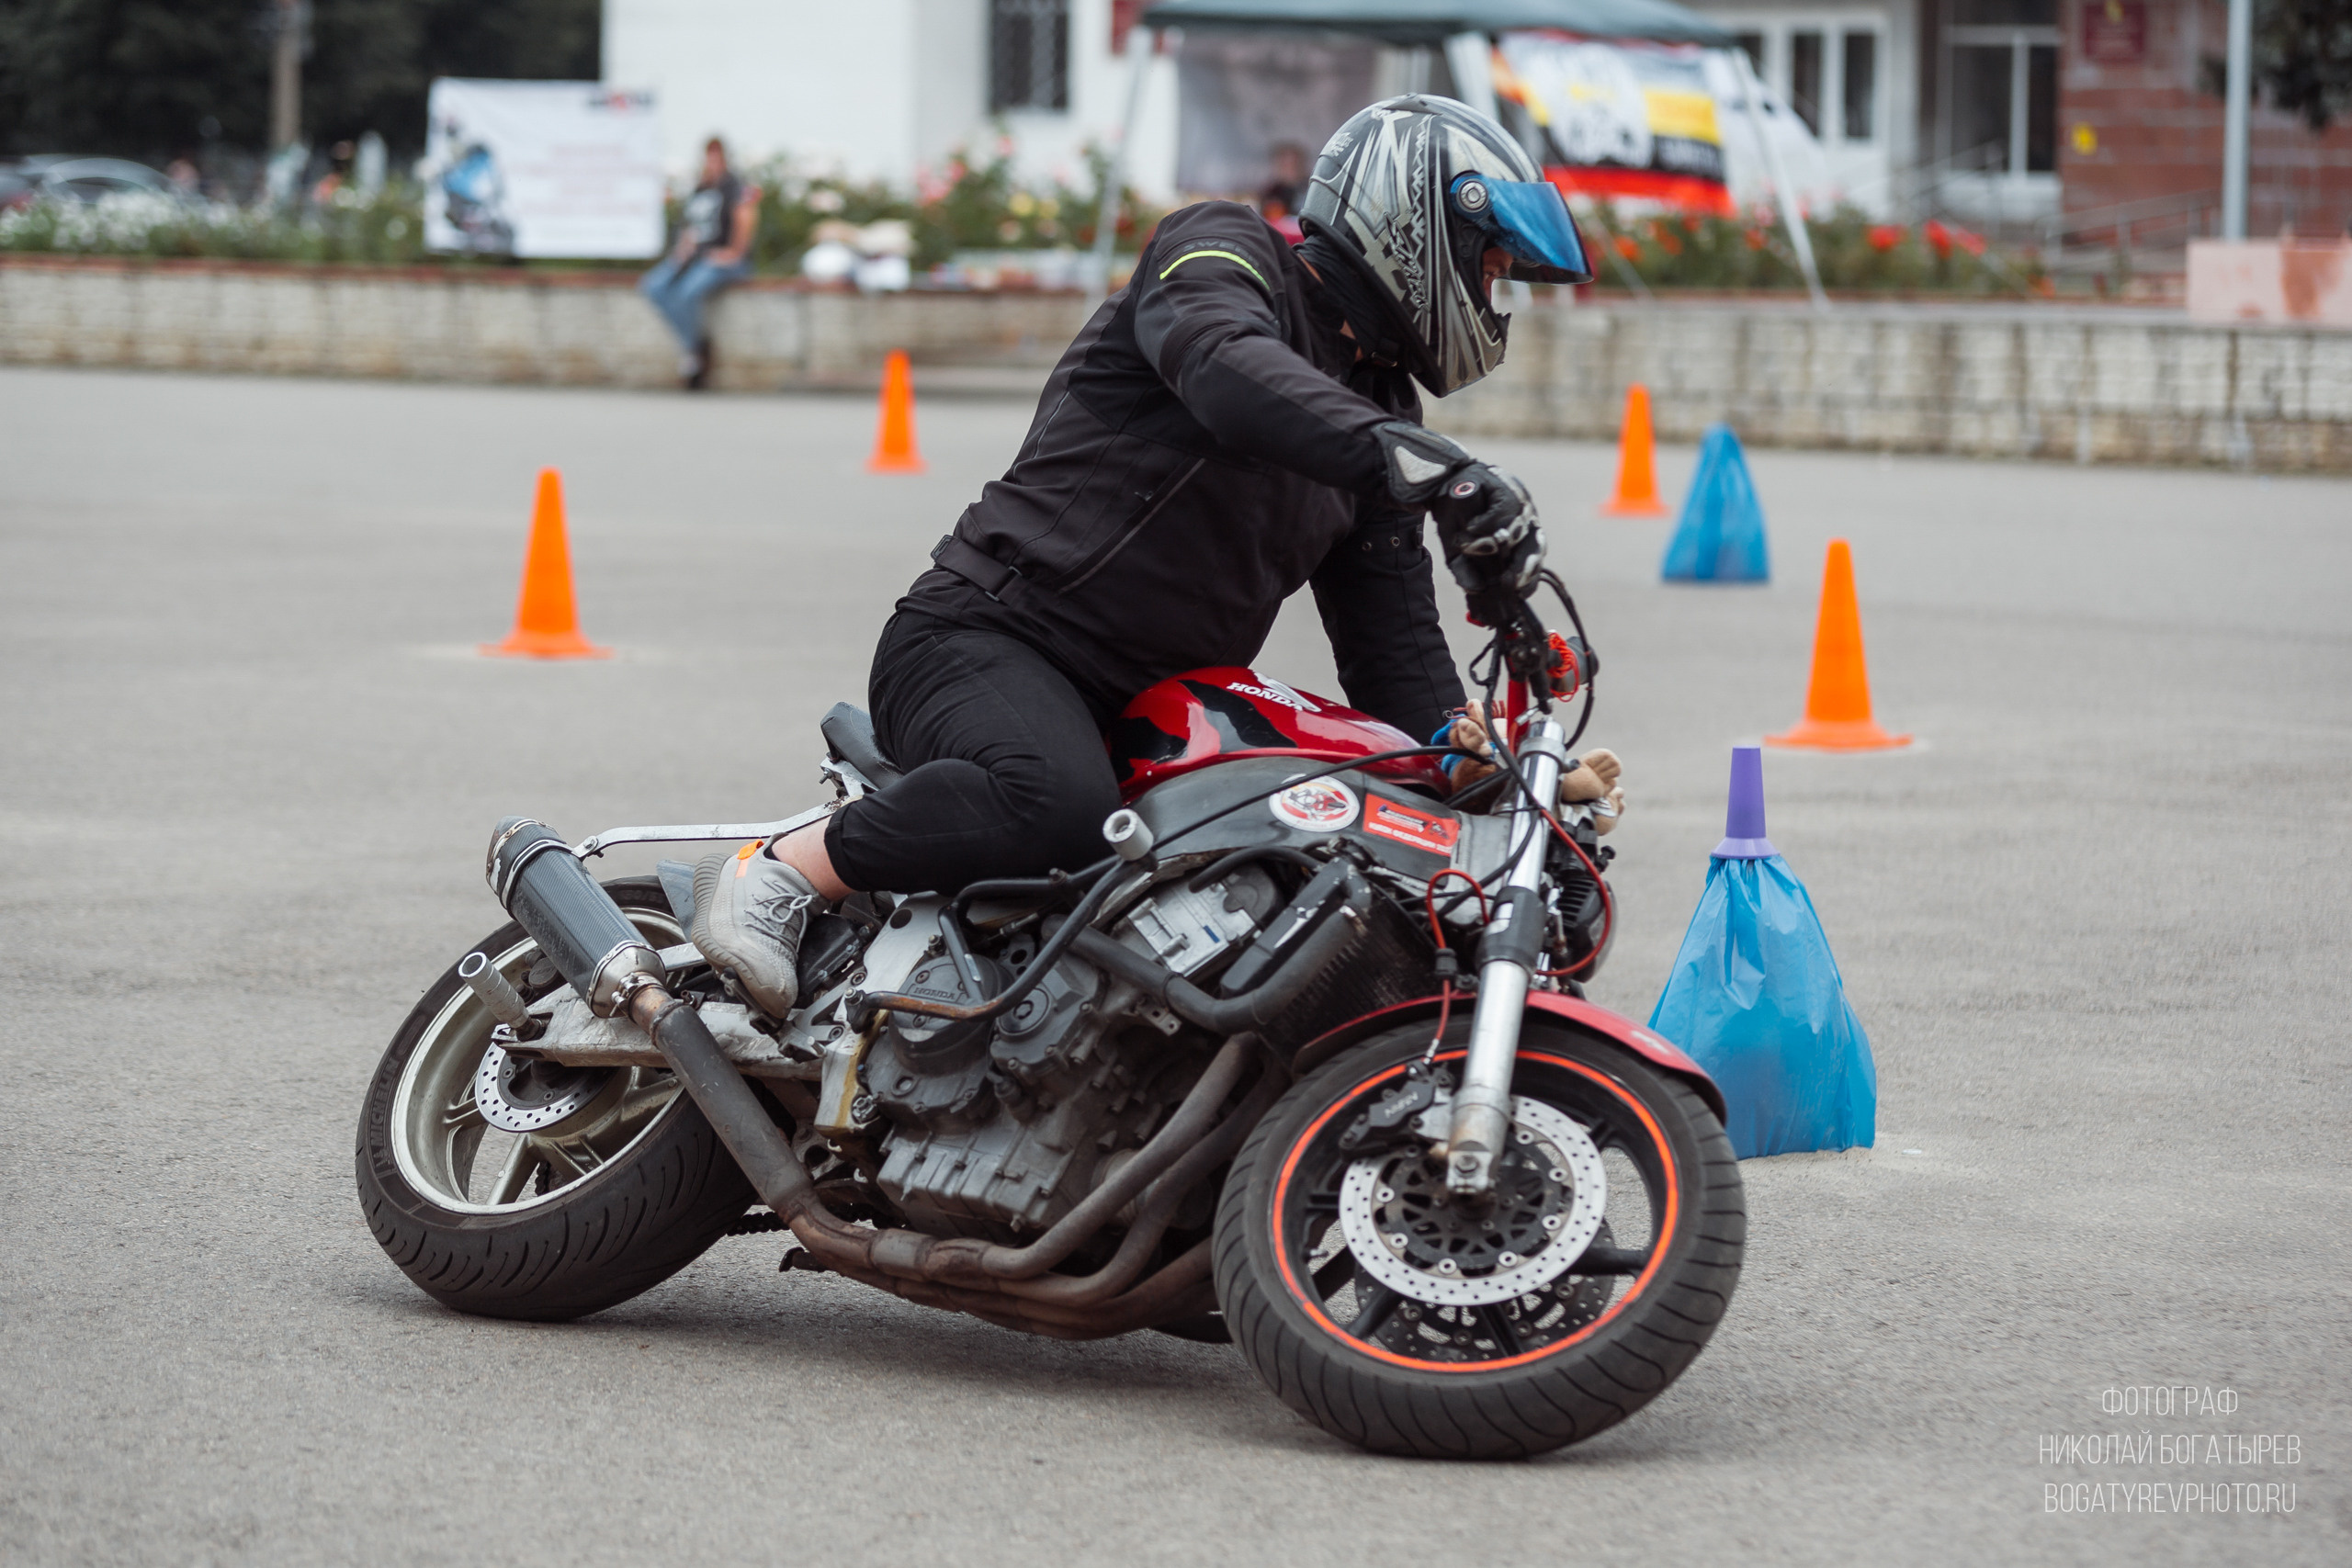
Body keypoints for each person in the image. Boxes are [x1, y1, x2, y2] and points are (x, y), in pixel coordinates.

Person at [691, 96, 1600, 1017]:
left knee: (1294, 853)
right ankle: (779, 872)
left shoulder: (1383, 415)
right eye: (1489, 266)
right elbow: (1221, 363)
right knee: (1050, 804)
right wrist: (1426, 469)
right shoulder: (1221, 250)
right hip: (990, 638)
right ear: (1416, 221)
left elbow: (1392, 649)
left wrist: (1476, 764)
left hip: (1155, 711)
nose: (1495, 298)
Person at [639, 138, 761, 389]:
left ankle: (695, 354)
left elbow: (746, 216)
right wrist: (682, 249)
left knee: (687, 293)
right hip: (694, 257)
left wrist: (734, 252)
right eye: (708, 158)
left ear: (725, 159)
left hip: (722, 259)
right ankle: (694, 346)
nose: (711, 163)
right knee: (653, 286)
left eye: (716, 158)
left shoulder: (734, 186)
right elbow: (690, 225)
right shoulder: (701, 189)